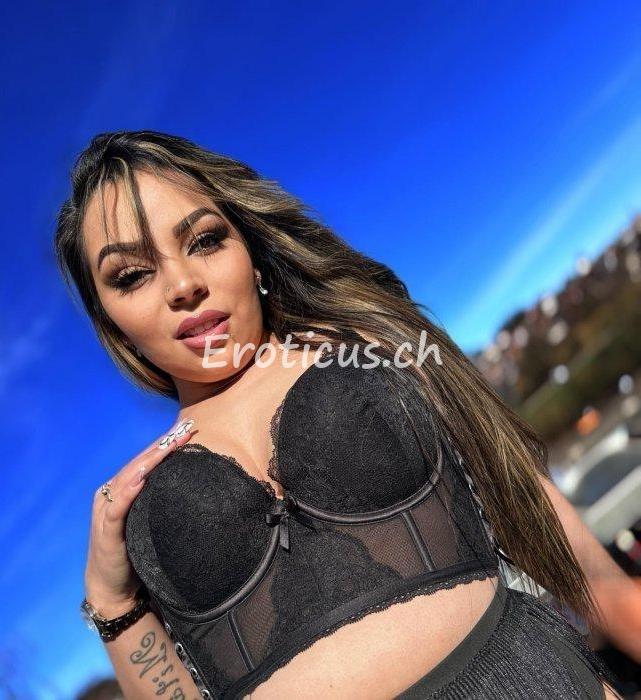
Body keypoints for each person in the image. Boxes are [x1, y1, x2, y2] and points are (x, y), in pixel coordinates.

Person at [54, 130, 636, 699]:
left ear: (251, 255)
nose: (183, 285)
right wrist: (111, 602)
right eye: (132, 275)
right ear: (112, 324)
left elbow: (584, 571)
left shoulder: (371, 348)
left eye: (204, 240)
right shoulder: (139, 511)